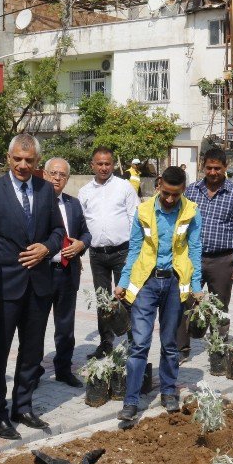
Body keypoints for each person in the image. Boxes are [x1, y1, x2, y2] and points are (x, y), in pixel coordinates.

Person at [0, 134, 64, 439]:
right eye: (17, 159)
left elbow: (58, 230)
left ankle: (23, 405)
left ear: (37, 162)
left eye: (29, 160)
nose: (23, 165)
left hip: (40, 285)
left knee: (32, 350)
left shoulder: (45, 190)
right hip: (4, 287)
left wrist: (47, 247)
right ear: (8, 158)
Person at [115, 166, 203, 423]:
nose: (169, 199)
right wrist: (122, 281)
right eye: (166, 193)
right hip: (147, 283)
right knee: (139, 343)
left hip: (175, 284)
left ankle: (168, 391)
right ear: (159, 184)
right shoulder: (143, 211)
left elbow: (195, 249)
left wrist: (196, 286)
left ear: (183, 190)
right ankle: (131, 401)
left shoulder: (191, 211)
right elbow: (134, 248)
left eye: (175, 195)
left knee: (170, 343)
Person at [177, 147, 233, 361]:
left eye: (217, 168)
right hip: (191, 259)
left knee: (219, 307)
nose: (213, 172)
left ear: (225, 168)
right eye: (209, 168)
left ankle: (218, 350)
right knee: (183, 302)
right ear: (203, 167)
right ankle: (181, 350)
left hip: (222, 260)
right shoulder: (191, 192)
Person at [78, 147, 140, 359]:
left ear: (113, 165)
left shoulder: (125, 188)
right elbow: (82, 224)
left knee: (127, 298)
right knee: (103, 300)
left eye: (107, 163)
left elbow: (135, 218)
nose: (104, 167)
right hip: (97, 255)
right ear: (92, 165)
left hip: (122, 252)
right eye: (99, 164)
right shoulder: (85, 191)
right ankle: (106, 343)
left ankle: (133, 343)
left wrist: (136, 251)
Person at [41, 157, 92, 388]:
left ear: (67, 179)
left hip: (67, 271)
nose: (57, 178)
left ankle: (63, 369)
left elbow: (86, 234)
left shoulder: (73, 204)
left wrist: (81, 245)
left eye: (62, 175)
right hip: (41, 273)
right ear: (44, 174)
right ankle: (32, 371)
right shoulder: (34, 203)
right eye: (53, 173)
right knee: (35, 326)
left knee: (65, 326)